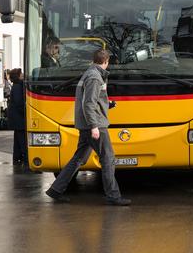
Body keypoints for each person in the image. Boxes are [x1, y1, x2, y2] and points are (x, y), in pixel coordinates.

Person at [46, 49, 130, 206]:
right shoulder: (94, 77)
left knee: (79, 159)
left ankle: (55, 190)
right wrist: (94, 126)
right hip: (94, 125)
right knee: (108, 158)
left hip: (87, 124)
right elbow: (88, 103)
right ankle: (113, 195)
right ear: (106, 62)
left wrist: (107, 104)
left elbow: (93, 100)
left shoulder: (89, 73)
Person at [7, 68, 27, 166]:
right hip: (18, 117)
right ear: (18, 76)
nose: (23, 74)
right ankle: (25, 156)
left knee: (18, 137)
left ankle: (17, 156)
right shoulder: (18, 87)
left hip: (16, 116)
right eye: (21, 73)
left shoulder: (17, 85)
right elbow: (19, 103)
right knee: (22, 137)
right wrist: (25, 113)